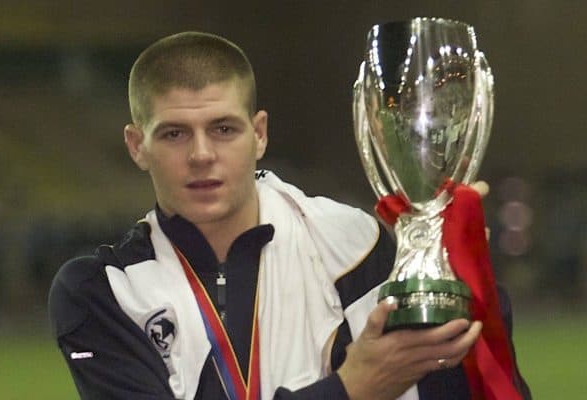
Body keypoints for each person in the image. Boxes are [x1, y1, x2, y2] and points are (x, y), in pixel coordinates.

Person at [48, 32, 530, 400]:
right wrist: (350, 388)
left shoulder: (352, 245)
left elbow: (458, 387)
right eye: (174, 134)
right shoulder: (103, 291)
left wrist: (469, 281)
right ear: (137, 145)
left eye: (223, 129)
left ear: (259, 134)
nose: (201, 155)